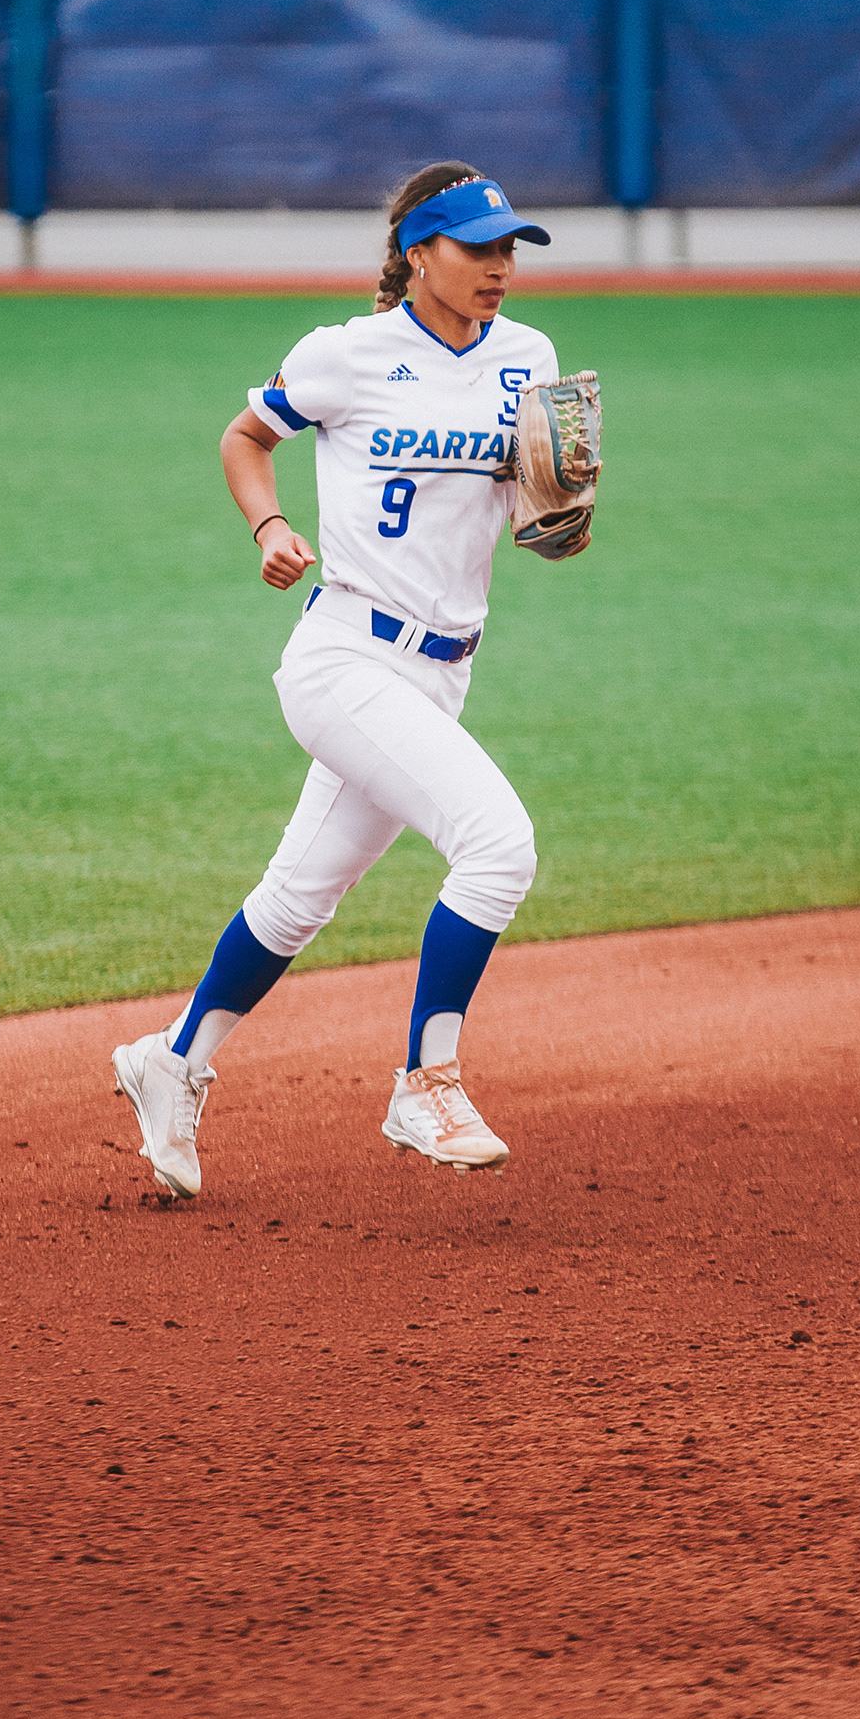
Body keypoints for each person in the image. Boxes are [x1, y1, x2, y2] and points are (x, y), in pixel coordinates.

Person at [112, 160, 574, 1202]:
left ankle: (172, 1061)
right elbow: (246, 436)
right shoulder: (348, 354)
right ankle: (427, 1081)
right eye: (478, 248)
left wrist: (558, 519)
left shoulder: (530, 359)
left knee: (298, 897)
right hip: (344, 658)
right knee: (498, 847)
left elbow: (533, 517)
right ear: (420, 253)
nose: (500, 266)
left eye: (509, 247)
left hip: (443, 672)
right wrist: (270, 526)